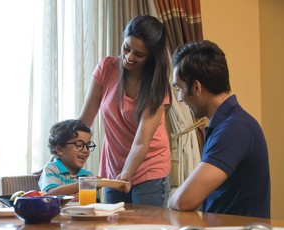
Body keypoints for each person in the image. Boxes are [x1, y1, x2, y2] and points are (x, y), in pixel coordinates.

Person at [169, 40, 270, 218]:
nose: (180, 98)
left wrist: (171, 198)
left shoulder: (234, 129)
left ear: (197, 87)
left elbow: (183, 200)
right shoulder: (231, 123)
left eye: (179, 88)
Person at [77, 15, 172, 206]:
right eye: (126, 48)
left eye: (139, 54)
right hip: (114, 170)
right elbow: (83, 123)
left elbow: (141, 142)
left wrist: (126, 175)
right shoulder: (107, 68)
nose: (129, 57)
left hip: (149, 170)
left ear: (152, 56)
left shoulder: (156, 86)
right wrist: (57, 159)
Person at [38, 119, 96, 198]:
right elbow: (50, 194)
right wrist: (83, 184)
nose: (86, 150)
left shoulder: (88, 175)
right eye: (79, 145)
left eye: (88, 146)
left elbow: (94, 201)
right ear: (60, 149)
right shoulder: (51, 169)